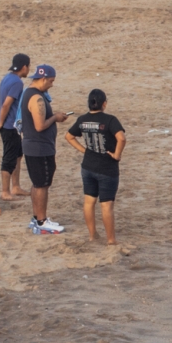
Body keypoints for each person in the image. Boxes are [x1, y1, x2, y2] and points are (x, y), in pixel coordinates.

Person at [64, 87, 125, 245]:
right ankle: (111, 240)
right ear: (104, 104)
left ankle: (92, 235)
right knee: (106, 205)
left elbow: (69, 136)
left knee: (89, 201)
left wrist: (84, 150)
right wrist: (117, 155)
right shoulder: (110, 120)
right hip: (107, 168)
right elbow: (122, 138)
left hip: (88, 166)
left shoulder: (83, 119)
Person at [18, 63, 68, 233]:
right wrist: (55, 117)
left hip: (34, 147)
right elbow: (40, 125)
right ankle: (41, 221)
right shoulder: (37, 98)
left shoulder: (29, 94)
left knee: (37, 183)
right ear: (44, 78)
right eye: (51, 81)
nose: (52, 85)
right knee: (42, 185)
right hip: (39, 148)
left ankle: (36, 217)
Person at [0, 52, 30, 199]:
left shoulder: (7, 78)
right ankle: (5, 191)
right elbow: (6, 103)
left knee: (18, 155)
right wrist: (1, 122)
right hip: (9, 126)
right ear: (24, 67)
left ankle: (15, 187)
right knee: (9, 158)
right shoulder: (17, 83)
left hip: (8, 124)